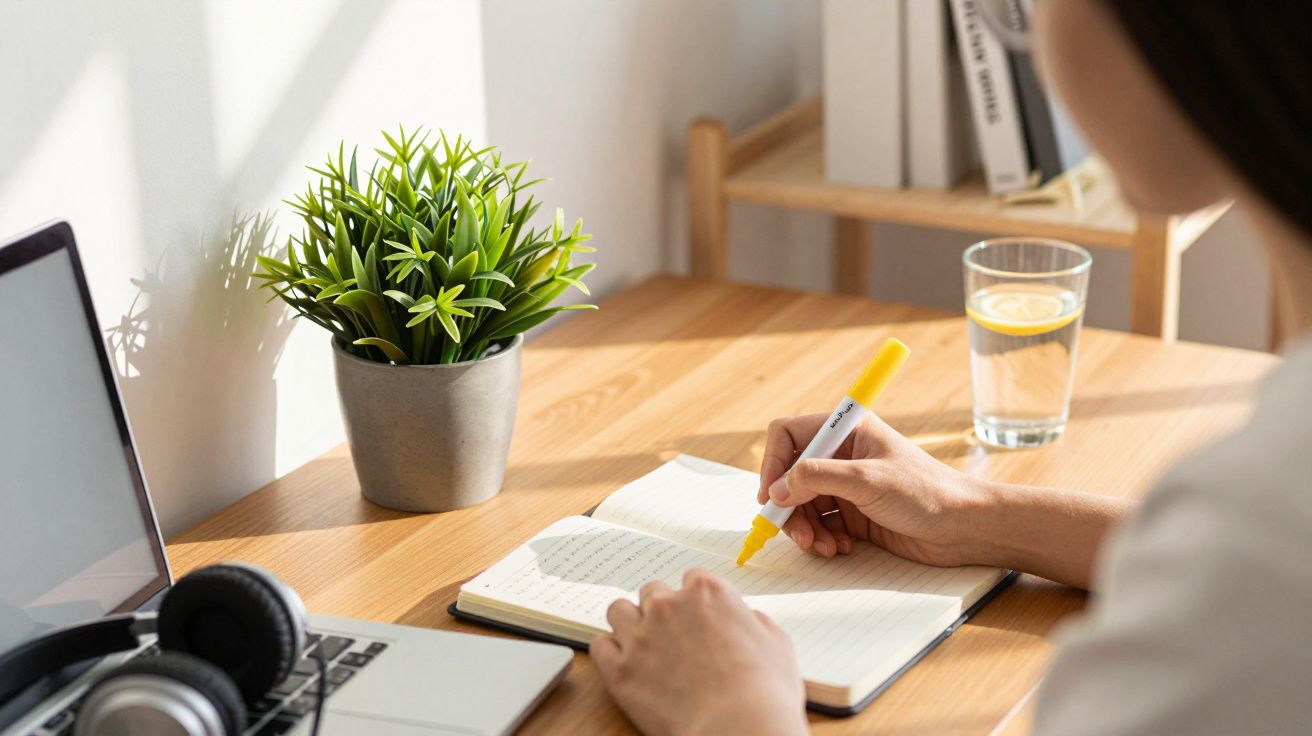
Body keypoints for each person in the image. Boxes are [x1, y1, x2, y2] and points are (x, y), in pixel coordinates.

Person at [588, 2, 1312, 734]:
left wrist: (737, 714)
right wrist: (974, 516)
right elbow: (1212, 572)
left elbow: (1242, 579)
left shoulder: (1256, 542)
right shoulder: (1258, 526)